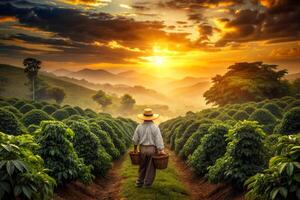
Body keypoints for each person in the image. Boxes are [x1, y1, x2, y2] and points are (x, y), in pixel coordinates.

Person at [132, 108, 165, 188]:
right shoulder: (155, 127)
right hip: (151, 149)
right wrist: (161, 150)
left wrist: (135, 149)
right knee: (150, 167)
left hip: (142, 149)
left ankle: (139, 182)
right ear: (152, 117)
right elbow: (158, 140)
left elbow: (135, 139)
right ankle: (147, 184)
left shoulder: (139, 127)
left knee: (142, 166)